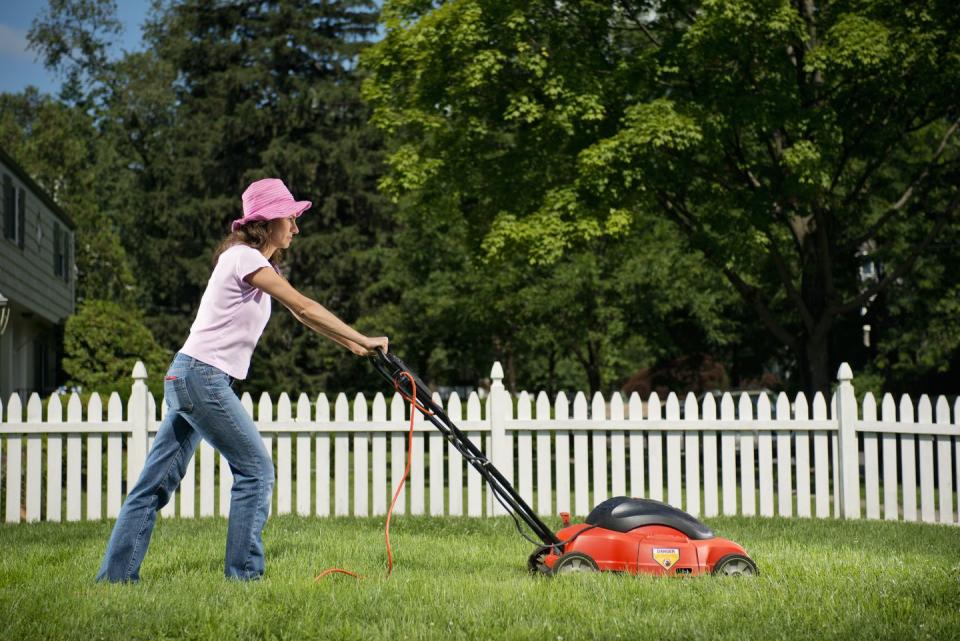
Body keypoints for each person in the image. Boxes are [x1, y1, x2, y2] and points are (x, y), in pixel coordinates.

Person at [95, 178, 388, 582]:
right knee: (256, 471)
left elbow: (301, 315)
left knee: (155, 484)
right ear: (266, 222)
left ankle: (114, 579)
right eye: (290, 218)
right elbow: (303, 303)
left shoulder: (252, 264)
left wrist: (352, 345)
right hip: (202, 377)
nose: (296, 228)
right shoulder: (243, 258)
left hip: (188, 375)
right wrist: (363, 336)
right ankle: (245, 577)